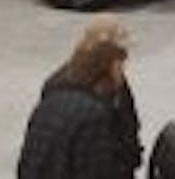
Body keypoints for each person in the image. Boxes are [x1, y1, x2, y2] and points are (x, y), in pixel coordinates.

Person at [18, 20, 136, 179]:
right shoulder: (94, 114)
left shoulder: (55, 91)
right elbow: (97, 169)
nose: (124, 67)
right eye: (121, 60)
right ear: (110, 64)